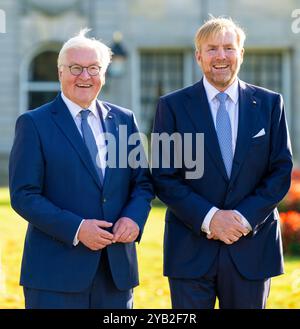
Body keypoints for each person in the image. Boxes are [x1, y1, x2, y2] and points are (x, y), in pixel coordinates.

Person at [152, 17, 293, 309]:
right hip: (190, 249)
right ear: (198, 55)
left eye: (228, 48)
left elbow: (280, 171)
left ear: (241, 53)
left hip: (251, 246)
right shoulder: (172, 106)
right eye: (212, 48)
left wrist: (242, 218)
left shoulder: (269, 104)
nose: (221, 56)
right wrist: (210, 218)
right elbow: (164, 176)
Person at [9, 29, 154, 309]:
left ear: (104, 74)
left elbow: (142, 183)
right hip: (54, 275)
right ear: (60, 72)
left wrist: (134, 218)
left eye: (93, 69)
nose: (84, 76)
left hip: (116, 274)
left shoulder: (125, 120)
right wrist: (76, 228)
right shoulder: (34, 124)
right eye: (76, 68)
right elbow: (24, 195)